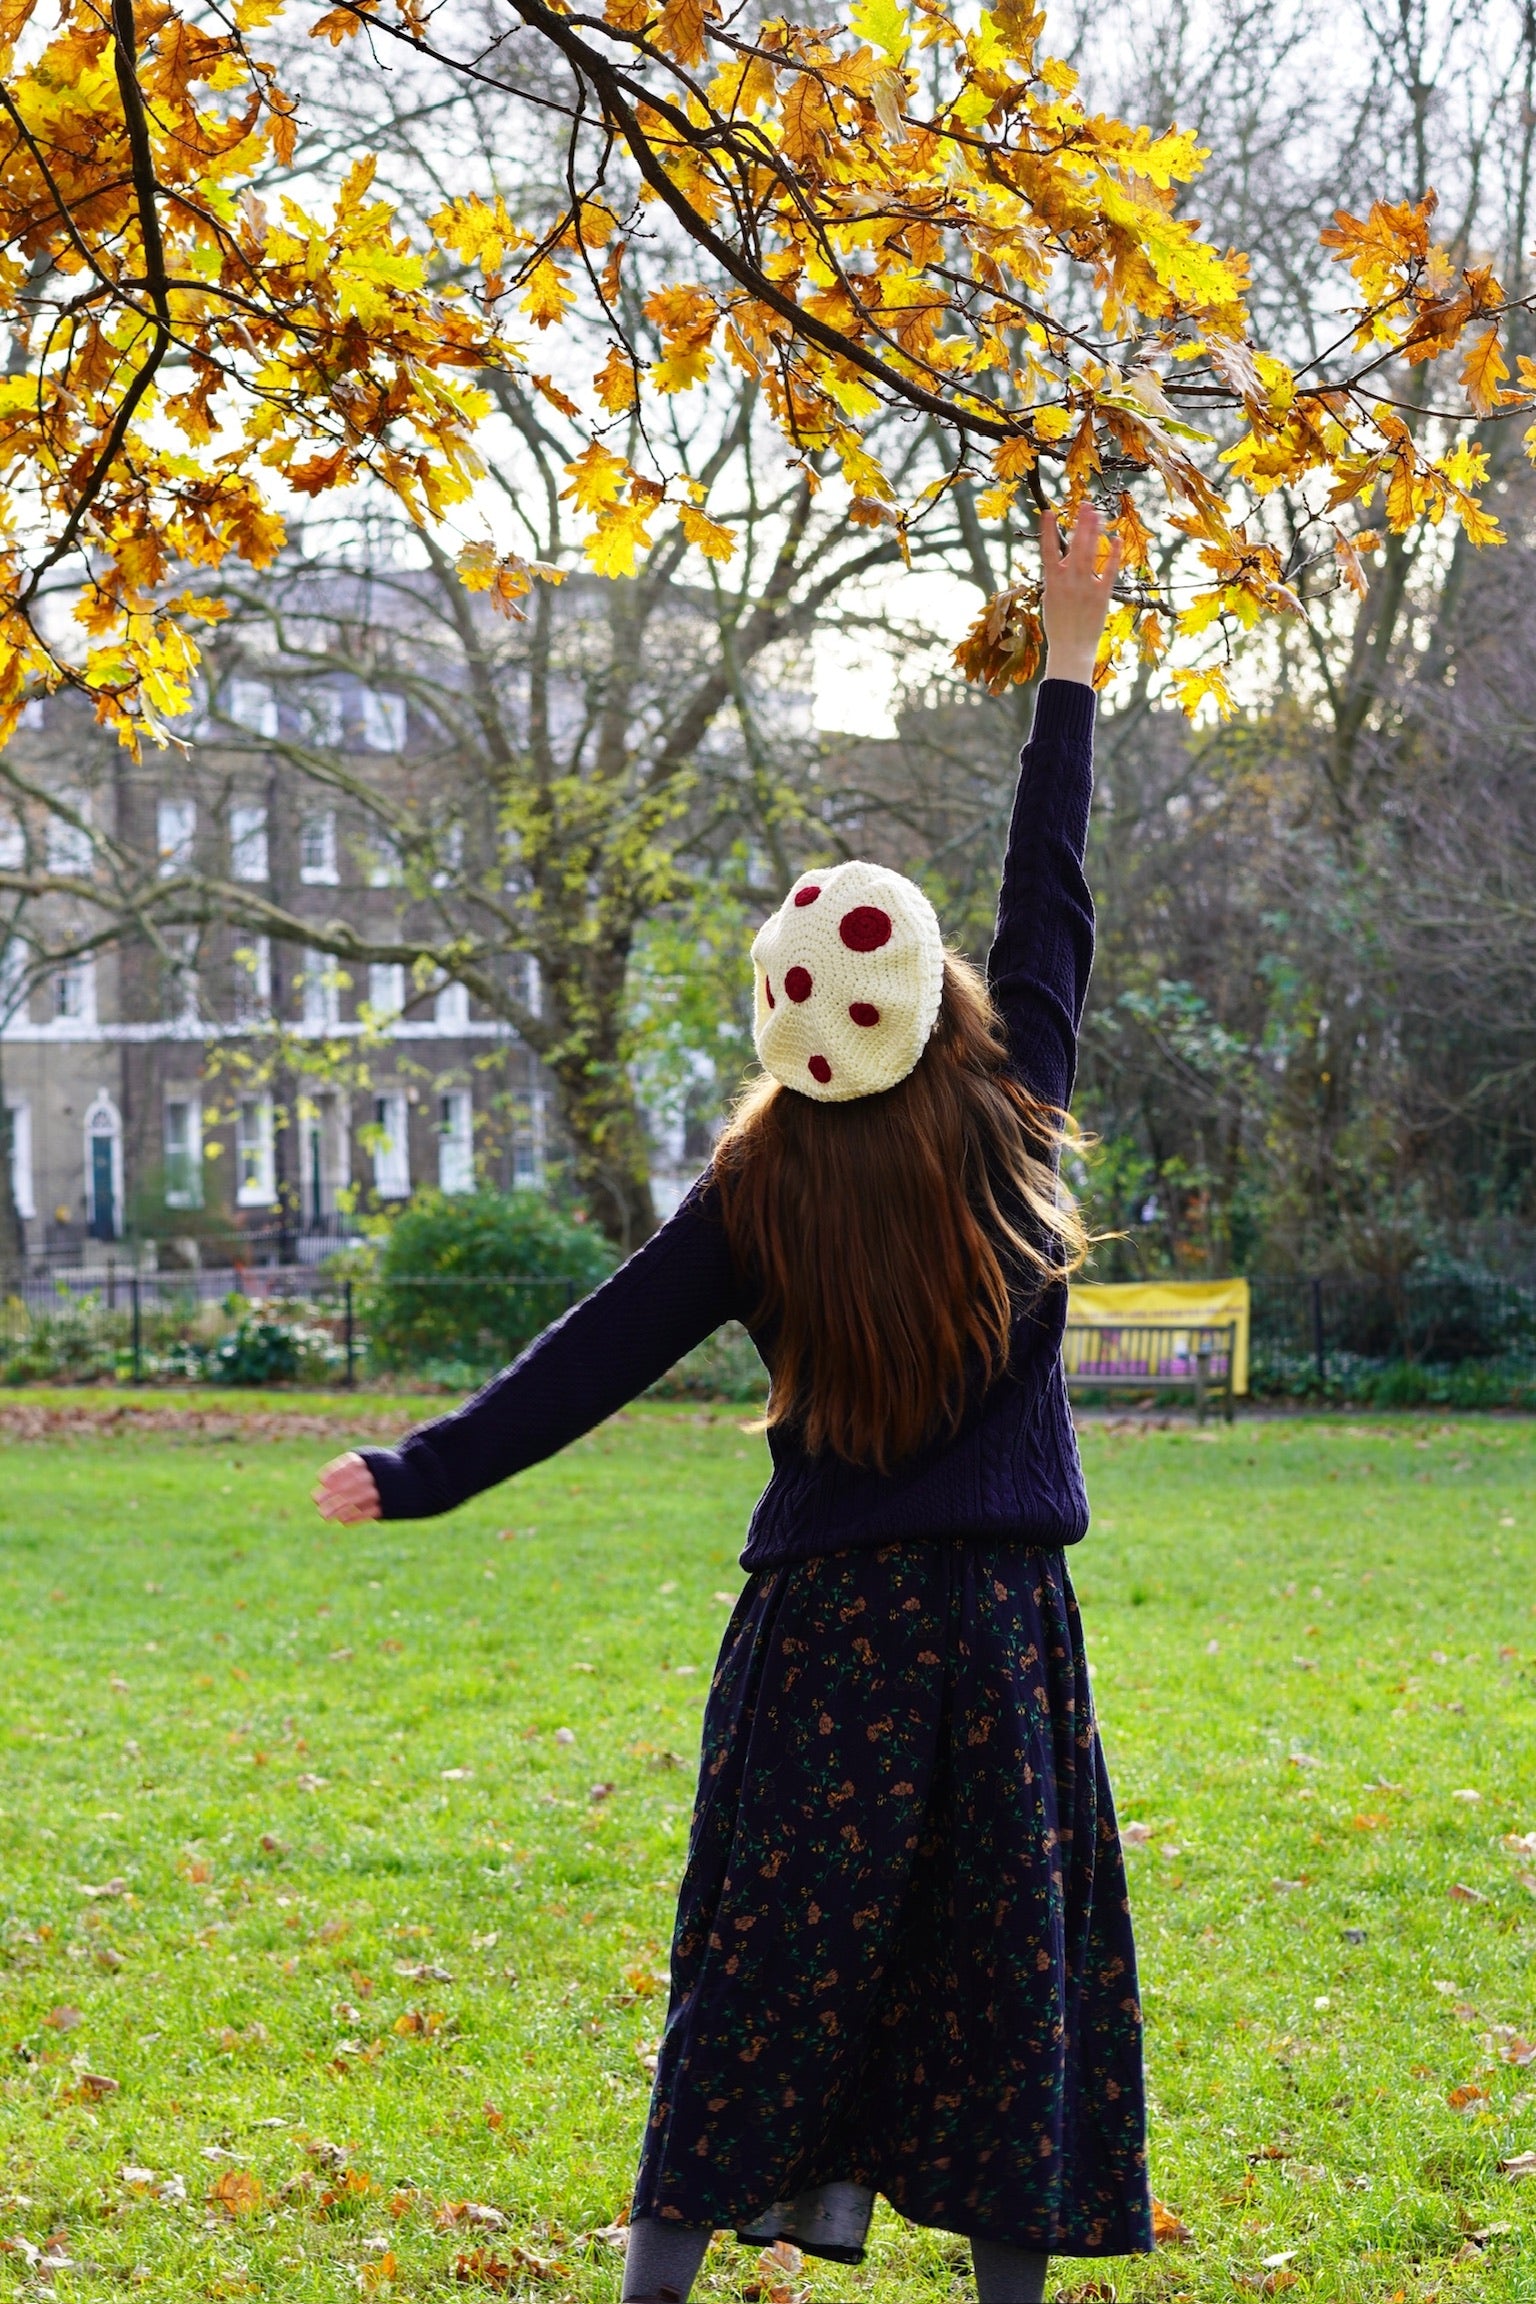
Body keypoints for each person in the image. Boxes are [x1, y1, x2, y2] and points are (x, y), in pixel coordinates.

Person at [315, 508, 1150, 2304]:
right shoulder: (1016, 1117)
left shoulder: (756, 1187)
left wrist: (423, 1471)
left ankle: (658, 2284)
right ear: (941, 1005)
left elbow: (597, 1348)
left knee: (768, 1968)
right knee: (1002, 1970)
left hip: (825, 1634)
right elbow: (1054, 893)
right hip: (996, 1630)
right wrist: (1071, 652)